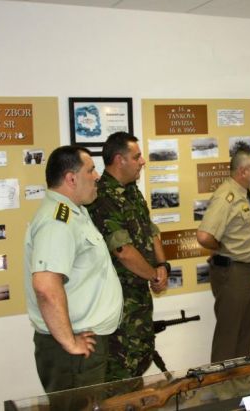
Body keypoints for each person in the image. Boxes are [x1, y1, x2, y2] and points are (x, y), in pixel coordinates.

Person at [24, 145, 123, 393]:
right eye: (90, 170)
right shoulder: (58, 221)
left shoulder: (75, 211)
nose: (97, 176)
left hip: (85, 341)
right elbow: (45, 287)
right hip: (74, 351)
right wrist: (70, 343)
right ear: (71, 179)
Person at [87, 132, 169, 381]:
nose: (142, 161)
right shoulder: (102, 196)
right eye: (137, 157)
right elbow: (122, 251)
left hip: (139, 296)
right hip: (119, 301)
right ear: (119, 160)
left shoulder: (132, 190)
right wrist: (153, 275)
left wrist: (162, 265)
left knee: (140, 360)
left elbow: (150, 229)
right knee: (120, 370)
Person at [197, 145, 250, 363]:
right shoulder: (227, 196)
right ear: (243, 171)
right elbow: (204, 236)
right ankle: (221, 382)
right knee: (229, 334)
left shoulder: (243, 193)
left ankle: (240, 379)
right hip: (231, 272)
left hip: (244, 269)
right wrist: (221, 247)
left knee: (244, 331)